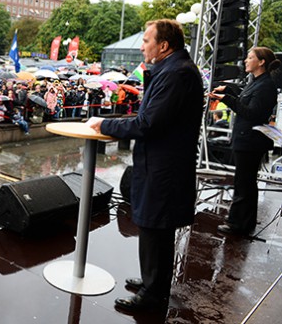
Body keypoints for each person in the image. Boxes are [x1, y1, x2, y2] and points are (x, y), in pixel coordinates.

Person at [87, 19, 204, 312]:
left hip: (164, 166)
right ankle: (153, 281)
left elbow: (148, 123)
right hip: (161, 163)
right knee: (154, 227)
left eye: (146, 41)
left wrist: (104, 123)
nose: (141, 47)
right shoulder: (173, 69)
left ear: (163, 45)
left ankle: (153, 296)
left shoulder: (176, 74)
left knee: (155, 226)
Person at [209, 47, 280, 236]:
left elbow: (252, 113)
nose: (245, 61)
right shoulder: (258, 82)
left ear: (261, 62)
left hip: (251, 141)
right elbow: (245, 96)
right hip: (246, 139)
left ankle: (238, 225)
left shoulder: (266, 85)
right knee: (244, 182)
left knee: (244, 183)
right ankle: (242, 221)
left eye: (250, 58)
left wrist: (227, 99)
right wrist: (229, 89)